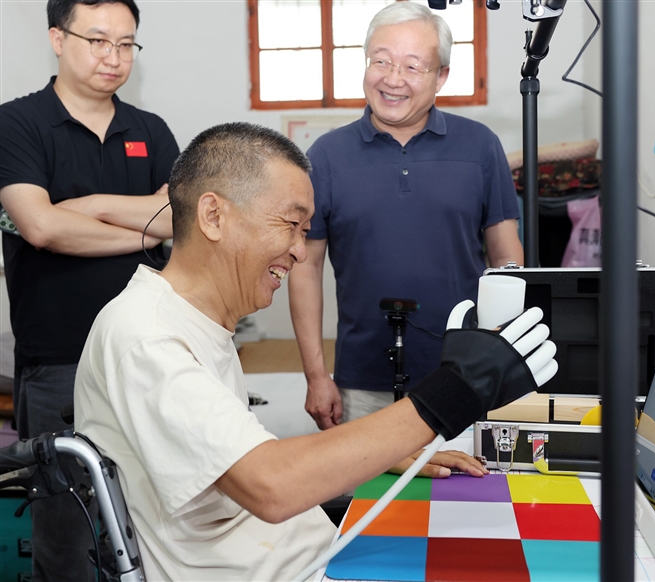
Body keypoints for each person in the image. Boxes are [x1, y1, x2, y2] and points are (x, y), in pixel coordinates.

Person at [73, 122, 555, 581]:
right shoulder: (147, 336)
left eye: (306, 231)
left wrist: (381, 451)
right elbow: (270, 484)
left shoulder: (196, 324)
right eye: (291, 224)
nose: (300, 252)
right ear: (214, 216)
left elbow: (236, 453)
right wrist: (457, 390)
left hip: (307, 555)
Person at [0, 0, 179, 579]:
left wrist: (93, 207)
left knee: (155, 522)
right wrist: (142, 230)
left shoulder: (150, 130)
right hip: (59, 361)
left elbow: (178, 219)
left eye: (126, 44)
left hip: (149, 354)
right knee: (65, 534)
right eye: (98, 40)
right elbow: (42, 228)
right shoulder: (16, 123)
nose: (114, 57)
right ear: (58, 39)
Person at [289, 2, 524, 431]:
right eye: (381, 61)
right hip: (362, 381)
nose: (393, 79)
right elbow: (305, 268)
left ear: (441, 76)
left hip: (466, 376)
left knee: (465, 476)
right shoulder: (326, 156)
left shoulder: (480, 147)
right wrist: (316, 375)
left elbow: (506, 260)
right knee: (370, 479)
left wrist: (502, 362)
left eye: (413, 66)